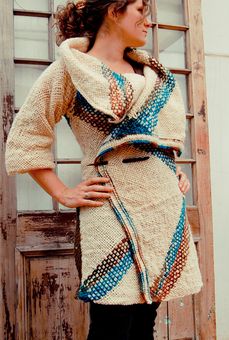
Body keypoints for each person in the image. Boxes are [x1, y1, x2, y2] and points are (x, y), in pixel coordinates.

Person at [5, 0, 203, 339]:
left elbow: (159, 138)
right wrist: (62, 192)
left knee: (144, 323)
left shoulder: (152, 75)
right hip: (110, 208)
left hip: (162, 207)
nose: (148, 22)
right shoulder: (71, 70)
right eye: (141, 10)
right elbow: (26, 136)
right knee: (112, 323)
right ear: (114, 9)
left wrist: (170, 168)